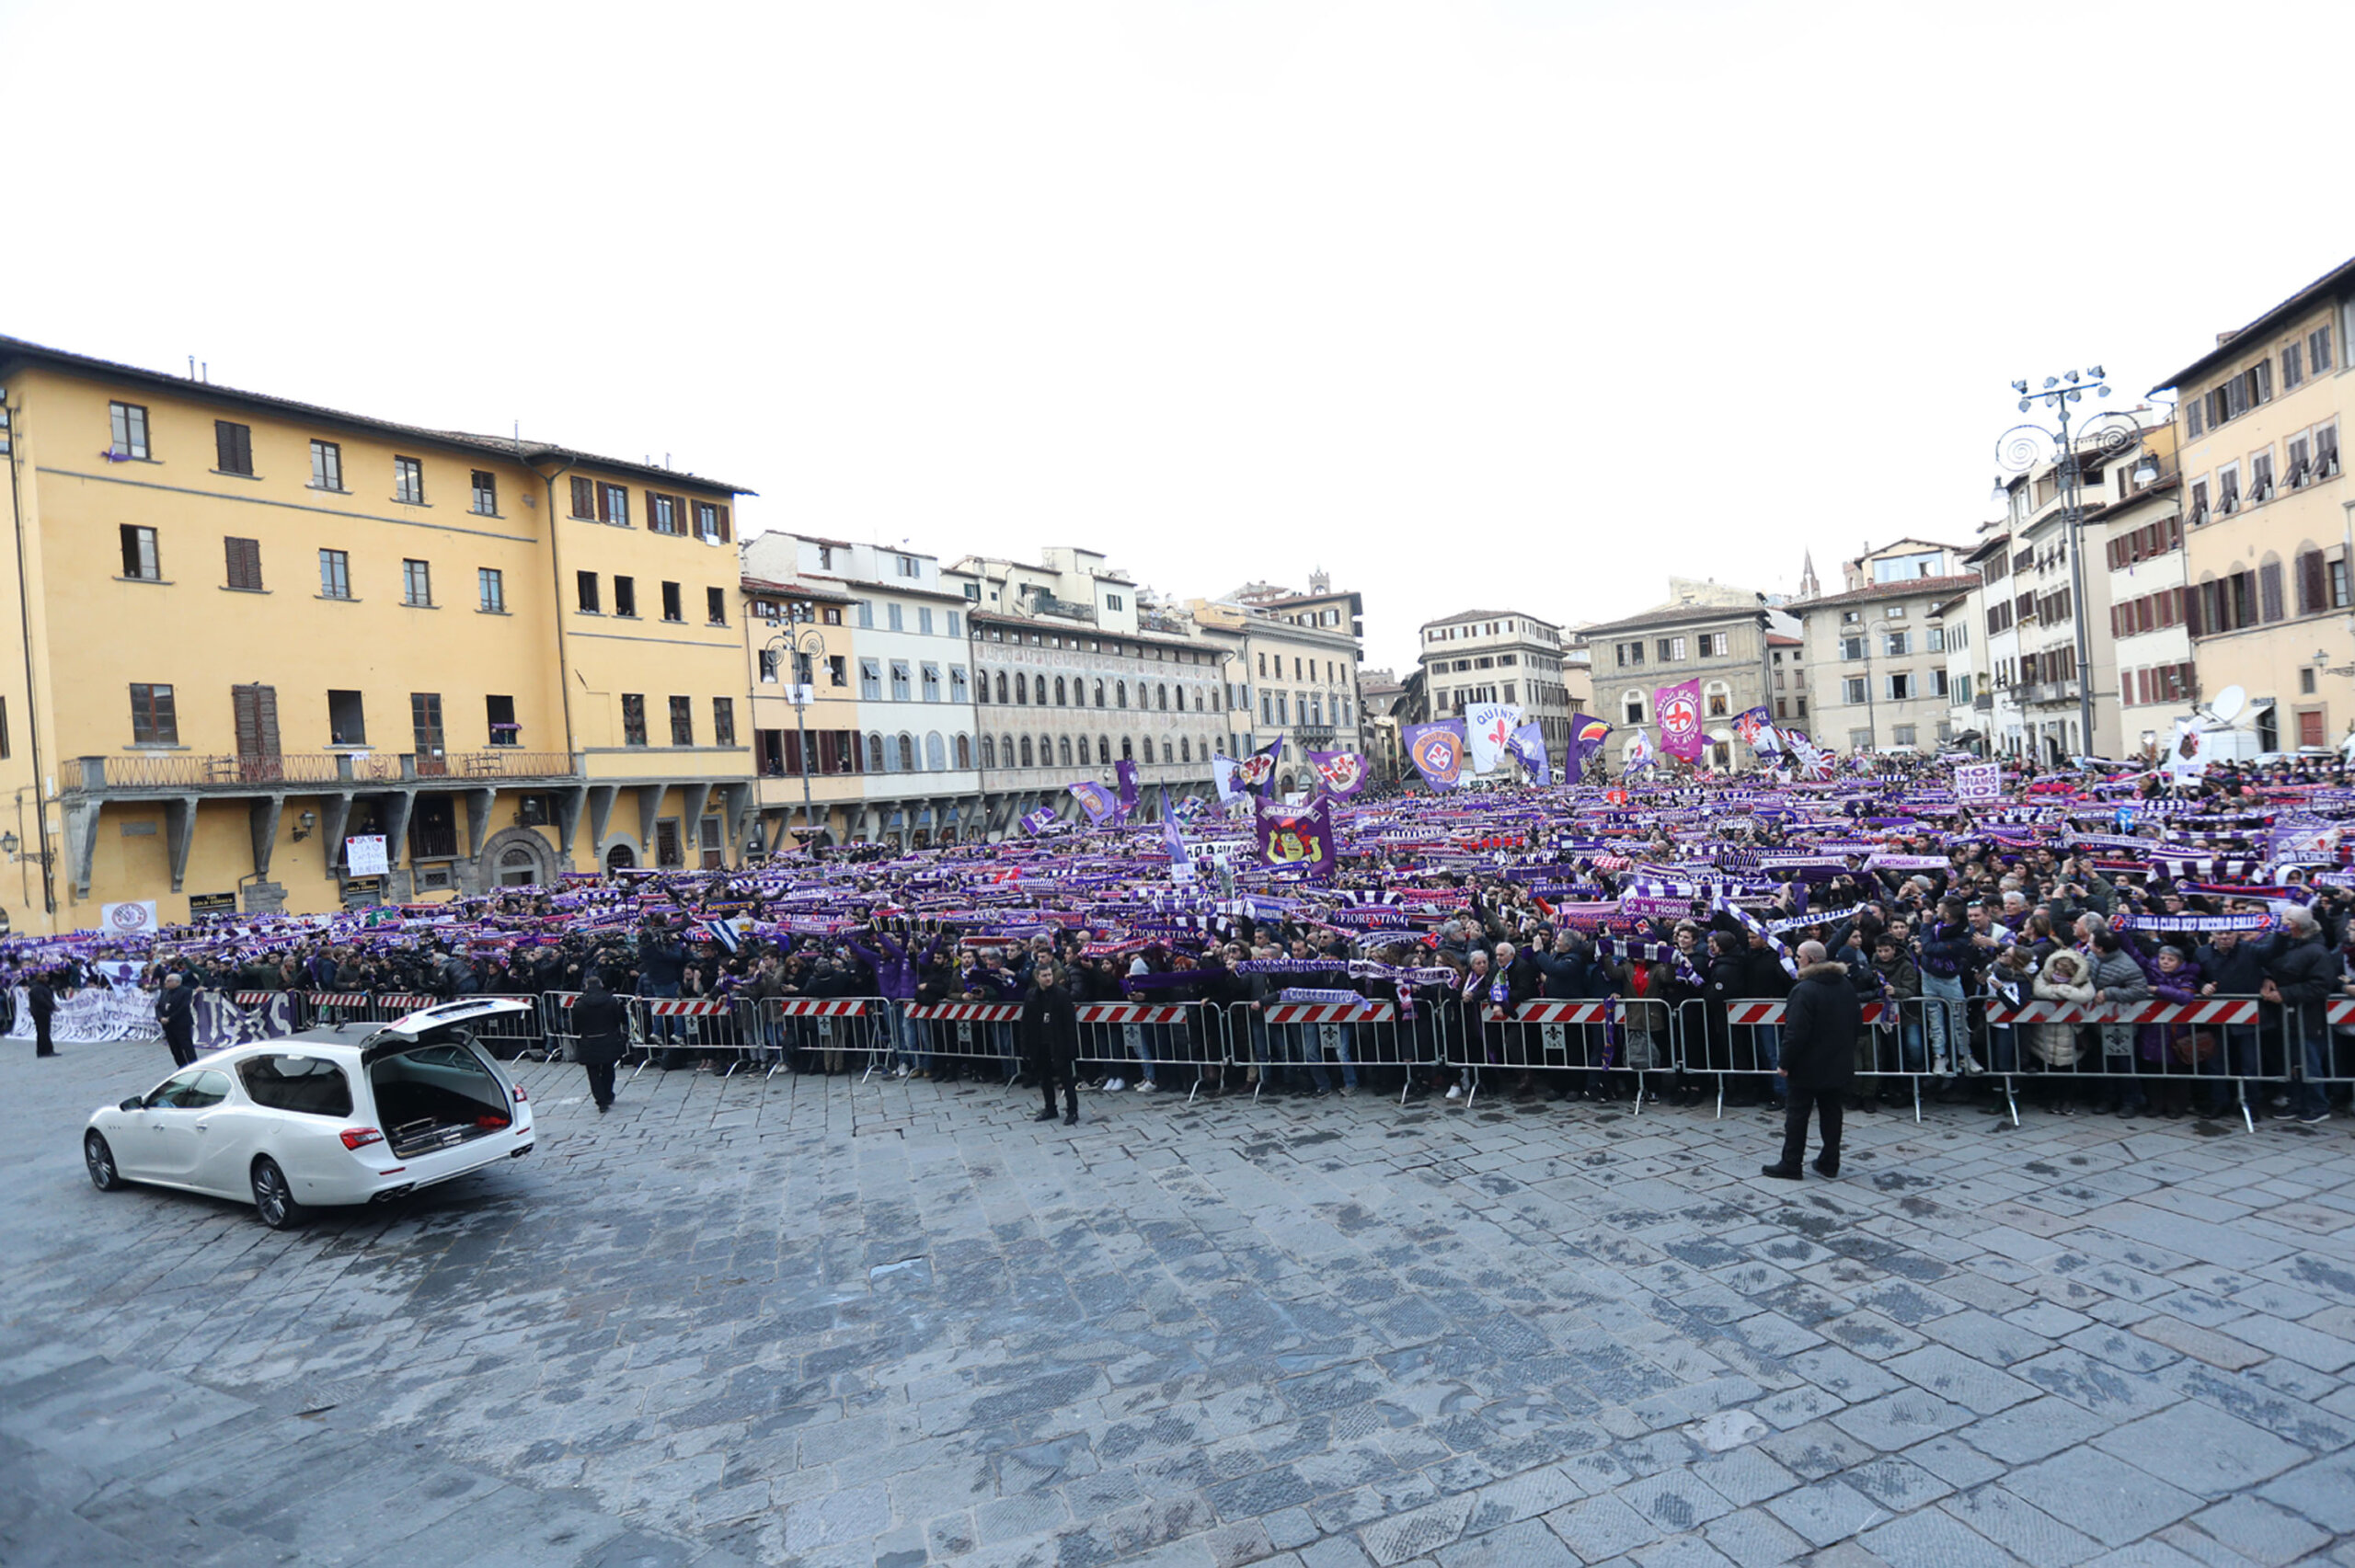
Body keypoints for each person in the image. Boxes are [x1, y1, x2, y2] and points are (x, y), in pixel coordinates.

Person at [1763, 942, 1858, 1180]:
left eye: (1799, 956)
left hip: (1807, 1064)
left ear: (1812, 960)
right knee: (1832, 1113)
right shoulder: (1845, 985)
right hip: (1837, 1060)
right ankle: (1830, 1161)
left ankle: (1791, 1163)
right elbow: (1858, 1023)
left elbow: (1794, 1032)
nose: (1796, 960)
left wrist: (1784, 1063)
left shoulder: (1804, 990)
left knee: (1797, 1115)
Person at [1021, 958, 1081, 1126]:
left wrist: (1071, 1047)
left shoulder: (1061, 994)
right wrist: (1025, 1046)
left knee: (1066, 1079)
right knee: (1044, 1078)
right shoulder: (1031, 995)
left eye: (1050, 975)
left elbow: (1069, 1022)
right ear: (1037, 977)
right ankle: (1050, 1108)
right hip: (1040, 1042)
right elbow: (1026, 1022)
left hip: (1058, 1041)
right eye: (1044, 975)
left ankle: (1072, 1110)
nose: (1048, 978)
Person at [572, 974, 627, 1113]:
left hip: (589, 1041)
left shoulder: (579, 1004)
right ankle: (608, 1094)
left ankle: (601, 1100)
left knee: (593, 1072)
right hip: (608, 1038)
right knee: (608, 1068)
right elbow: (618, 1020)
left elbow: (575, 1027)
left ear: (586, 987)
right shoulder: (611, 1001)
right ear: (601, 985)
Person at [156, 973, 197, 1067]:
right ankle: (181, 1066)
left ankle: (193, 1065)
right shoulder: (164, 992)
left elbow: (183, 1007)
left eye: (169, 981)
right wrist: (160, 1017)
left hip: (181, 1024)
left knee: (187, 1047)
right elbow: (158, 1006)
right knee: (174, 1048)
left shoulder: (186, 991)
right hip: (168, 1025)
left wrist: (170, 1018)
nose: (166, 983)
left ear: (177, 982)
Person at [27, 969, 56, 1059]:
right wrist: (52, 1007)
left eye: (47, 975)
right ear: (38, 977)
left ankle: (43, 1050)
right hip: (40, 1011)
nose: (46, 978)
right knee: (43, 1032)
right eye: (43, 976)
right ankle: (46, 1051)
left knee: (44, 1031)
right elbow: (41, 1000)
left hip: (44, 1011)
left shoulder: (44, 986)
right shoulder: (36, 988)